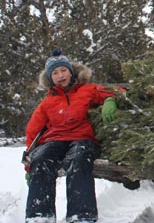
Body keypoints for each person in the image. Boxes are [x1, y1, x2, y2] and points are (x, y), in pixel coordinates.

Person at [24, 50, 117, 223]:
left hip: (83, 138)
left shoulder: (87, 90)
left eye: (63, 70)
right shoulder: (47, 103)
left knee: (79, 158)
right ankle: (39, 216)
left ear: (71, 71)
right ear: (50, 78)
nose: (60, 75)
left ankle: (81, 216)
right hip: (54, 140)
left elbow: (115, 91)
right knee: (41, 158)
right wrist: (29, 166)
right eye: (55, 73)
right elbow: (32, 132)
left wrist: (110, 100)